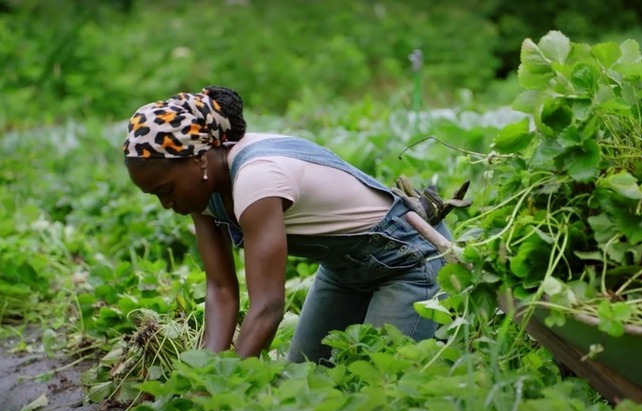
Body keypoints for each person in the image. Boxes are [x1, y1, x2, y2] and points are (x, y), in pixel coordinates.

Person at [122, 85, 466, 364]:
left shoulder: (257, 178)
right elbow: (221, 290)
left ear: (198, 160)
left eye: (166, 190)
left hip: (409, 263)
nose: (167, 204)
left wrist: (222, 386)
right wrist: (206, 370)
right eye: (155, 196)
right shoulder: (202, 190)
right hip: (344, 272)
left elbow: (268, 306)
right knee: (305, 377)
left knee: (376, 380)